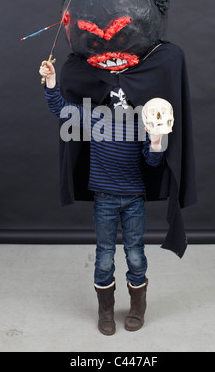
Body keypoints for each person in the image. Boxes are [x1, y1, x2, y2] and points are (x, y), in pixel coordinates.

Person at [39, 60, 168, 335]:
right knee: (104, 257)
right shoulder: (93, 116)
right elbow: (60, 109)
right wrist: (51, 82)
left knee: (135, 254)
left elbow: (152, 162)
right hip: (105, 199)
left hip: (134, 198)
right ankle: (105, 310)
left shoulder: (140, 120)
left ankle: (137, 307)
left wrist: (156, 141)